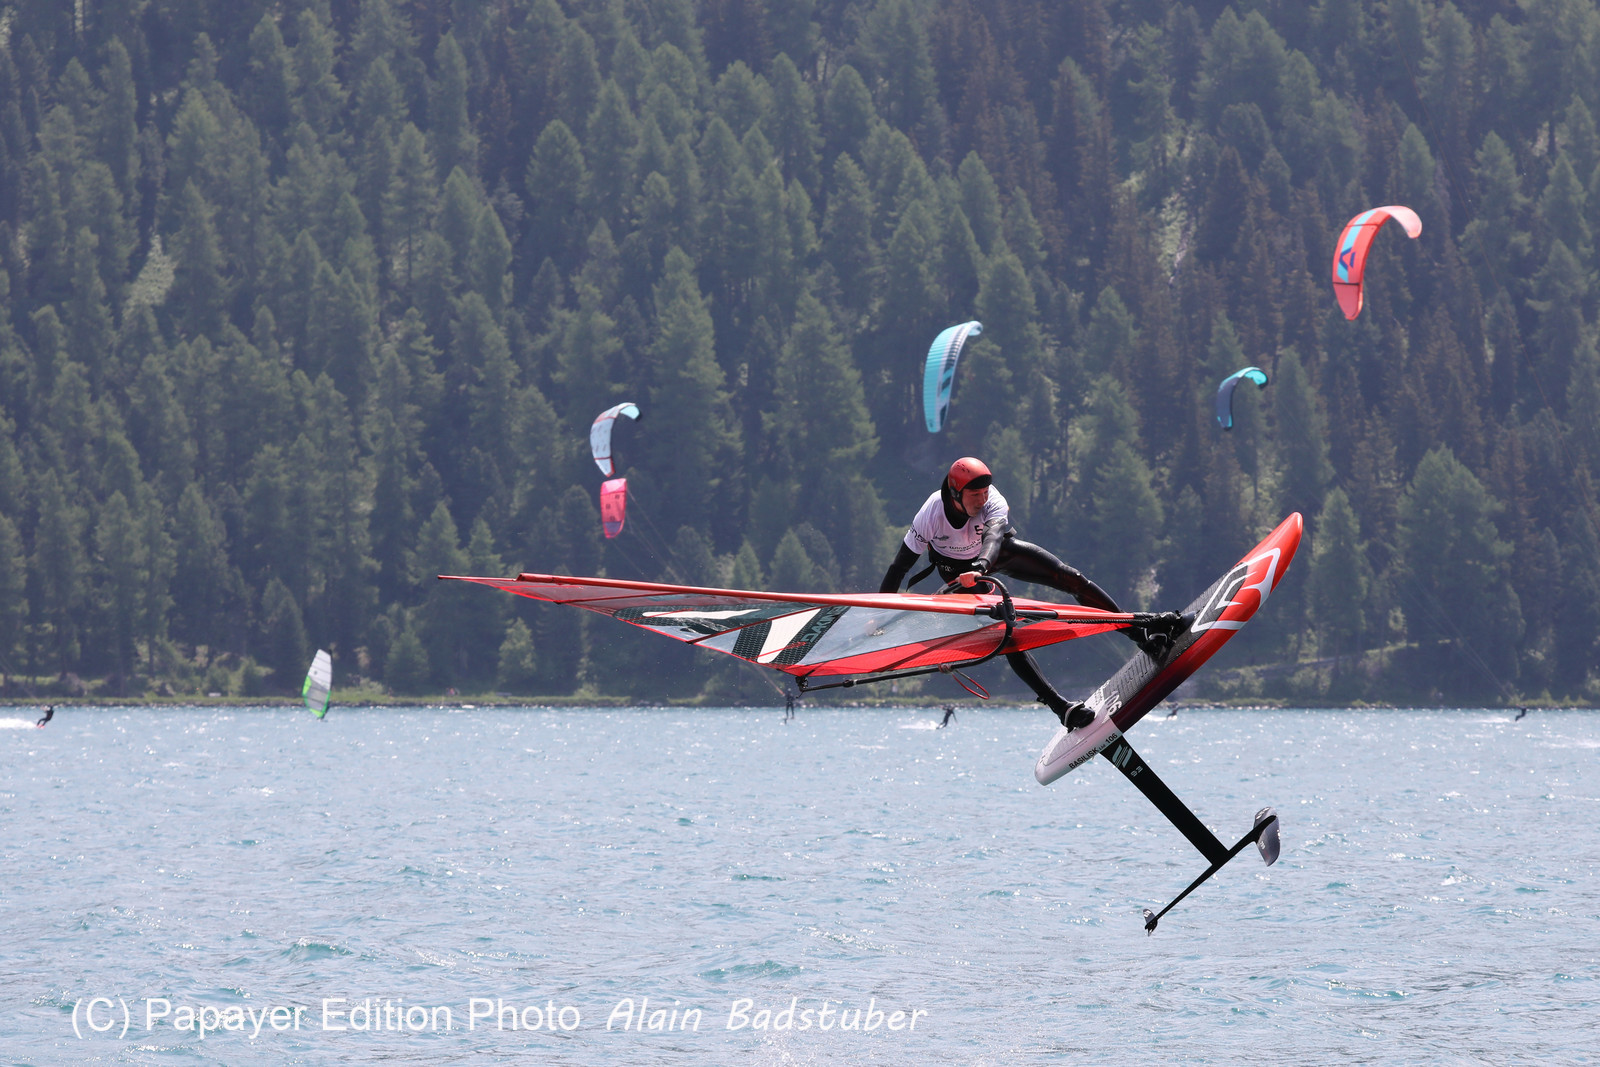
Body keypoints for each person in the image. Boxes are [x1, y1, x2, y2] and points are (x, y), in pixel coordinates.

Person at [880, 457, 1176, 731]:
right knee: (1005, 633)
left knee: (1070, 578)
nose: (982, 500)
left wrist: (982, 565)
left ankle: (1139, 636)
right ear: (955, 493)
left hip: (993, 555)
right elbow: (899, 567)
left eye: (985, 494)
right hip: (955, 572)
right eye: (975, 496)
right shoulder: (930, 513)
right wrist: (878, 614)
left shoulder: (992, 500)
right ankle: (1061, 708)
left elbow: (994, 536)